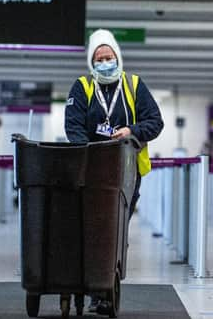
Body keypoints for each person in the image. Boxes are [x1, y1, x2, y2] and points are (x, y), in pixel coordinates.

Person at [64, 28, 164, 313]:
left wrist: (131, 130)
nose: (105, 62)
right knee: (91, 231)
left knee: (115, 231)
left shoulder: (134, 85)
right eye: (99, 59)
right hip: (91, 173)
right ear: (91, 63)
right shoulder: (82, 87)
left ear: (117, 57)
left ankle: (106, 287)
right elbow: (73, 128)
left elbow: (155, 122)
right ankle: (95, 289)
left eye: (109, 57)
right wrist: (93, 153)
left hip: (126, 174)